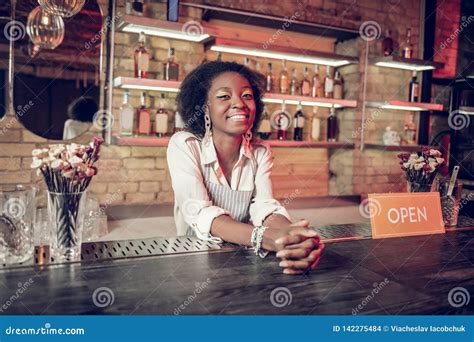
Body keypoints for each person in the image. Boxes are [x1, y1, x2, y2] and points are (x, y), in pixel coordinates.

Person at [167, 61, 324, 275]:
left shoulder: (260, 152)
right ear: (205, 107)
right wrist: (265, 237)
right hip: (195, 259)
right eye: (224, 96)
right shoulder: (184, 144)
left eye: (247, 96)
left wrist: (291, 235)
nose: (239, 103)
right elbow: (200, 214)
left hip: (243, 257)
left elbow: (265, 207)